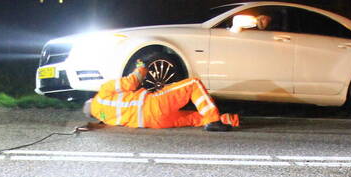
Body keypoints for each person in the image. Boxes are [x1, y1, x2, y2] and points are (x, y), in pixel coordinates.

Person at [83, 60, 239, 131]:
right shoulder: (102, 93)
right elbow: (131, 82)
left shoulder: (104, 118)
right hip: (153, 105)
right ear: (91, 100)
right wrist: (141, 67)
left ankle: (228, 119)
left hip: (154, 123)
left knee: (193, 119)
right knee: (193, 84)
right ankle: (213, 120)